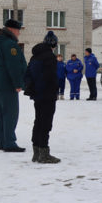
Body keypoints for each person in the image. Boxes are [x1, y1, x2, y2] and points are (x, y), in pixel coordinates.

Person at [25, 31, 61, 163]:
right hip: (47, 94)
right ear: (54, 44)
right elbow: (51, 77)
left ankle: (36, 153)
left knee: (38, 121)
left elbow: (28, 73)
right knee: (46, 123)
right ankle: (44, 153)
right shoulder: (50, 57)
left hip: (37, 94)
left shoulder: (35, 56)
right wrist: (55, 90)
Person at [0, 18, 27, 152]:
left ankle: (3, 141)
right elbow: (13, 66)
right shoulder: (9, 45)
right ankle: (9, 143)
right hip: (8, 84)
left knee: (2, 114)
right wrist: (18, 83)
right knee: (10, 114)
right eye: (18, 30)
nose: (19, 33)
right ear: (12, 30)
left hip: (0, 82)